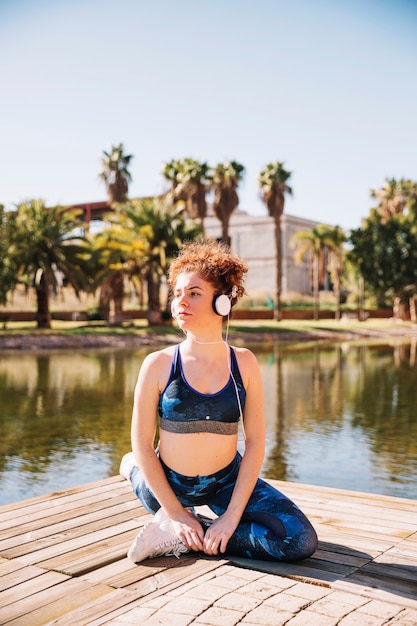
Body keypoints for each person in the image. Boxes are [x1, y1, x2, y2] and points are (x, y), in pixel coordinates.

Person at [120, 238, 318, 563]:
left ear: (222, 303)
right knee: (141, 471)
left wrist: (230, 518)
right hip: (169, 482)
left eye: (194, 293)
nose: (181, 300)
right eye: (178, 293)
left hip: (226, 480)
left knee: (299, 539)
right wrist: (176, 512)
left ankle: (187, 534)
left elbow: (254, 442)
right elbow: (142, 443)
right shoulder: (158, 364)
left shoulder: (244, 363)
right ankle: (135, 477)